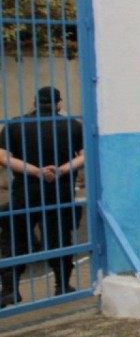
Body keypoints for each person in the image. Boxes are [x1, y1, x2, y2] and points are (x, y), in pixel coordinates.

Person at [0, 86, 85, 305]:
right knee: (59, 238)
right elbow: (84, 156)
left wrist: (35, 171)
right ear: (59, 104)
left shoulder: (16, 125)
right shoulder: (72, 125)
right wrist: (62, 170)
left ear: (35, 103)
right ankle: (62, 285)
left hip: (25, 191)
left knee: (14, 238)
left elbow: (3, 157)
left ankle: (10, 289)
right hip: (59, 190)